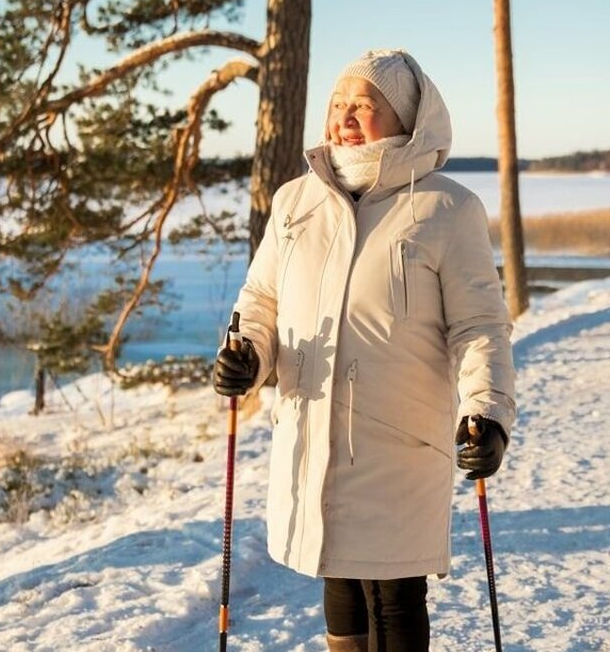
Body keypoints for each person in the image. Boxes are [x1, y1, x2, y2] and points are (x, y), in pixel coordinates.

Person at [212, 49, 517, 652]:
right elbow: (262, 300)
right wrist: (249, 354)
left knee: (394, 591)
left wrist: (487, 412)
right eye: (338, 103)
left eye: (364, 105)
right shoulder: (296, 201)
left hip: (399, 437)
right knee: (339, 574)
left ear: (406, 119)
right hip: (311, 424)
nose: (345, 116)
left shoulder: (447, 207)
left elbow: (480, 326)